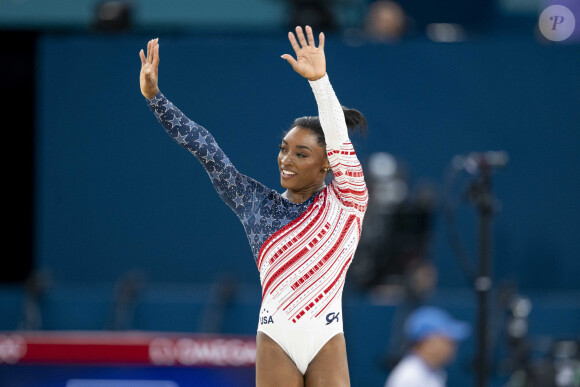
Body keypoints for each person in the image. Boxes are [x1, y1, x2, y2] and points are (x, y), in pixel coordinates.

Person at [139, 26, 368, 386]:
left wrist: (320, 81)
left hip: (327, 337)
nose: (286, 160)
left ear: (328, 162)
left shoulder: (348, 201)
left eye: (301, 153)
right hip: (277, 337)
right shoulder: (257, 205)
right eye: (283, 148)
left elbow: (338, 137)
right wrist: (155, 98)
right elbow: (207, 151)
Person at [384, 306, 471, 387]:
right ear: (429, 343)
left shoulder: (434, 372)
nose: (453, 346)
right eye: (448, 340)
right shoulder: (411, 376)